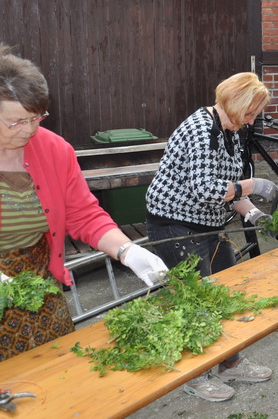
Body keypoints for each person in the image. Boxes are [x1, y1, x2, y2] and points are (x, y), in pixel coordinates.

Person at [0, 46, 168, 362]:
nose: (31, 130)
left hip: (39, 286)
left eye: (37, 118)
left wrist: (127, 250)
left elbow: (83, 213)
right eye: (17, 122)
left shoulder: (54, 149)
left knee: (56, 372)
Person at [145, 71, 278, 402]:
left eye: (254, 116)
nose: (250, 122)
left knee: (224, 291)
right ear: (235, 104)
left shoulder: (229, 129)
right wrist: (255, 185)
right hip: (175, 224)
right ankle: (195, 373)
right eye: (249, 114)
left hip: (209, 223)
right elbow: (205, 188)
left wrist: (252, 211)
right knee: (194, 301)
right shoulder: (201, 129)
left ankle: (229, 361)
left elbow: (228, 185)